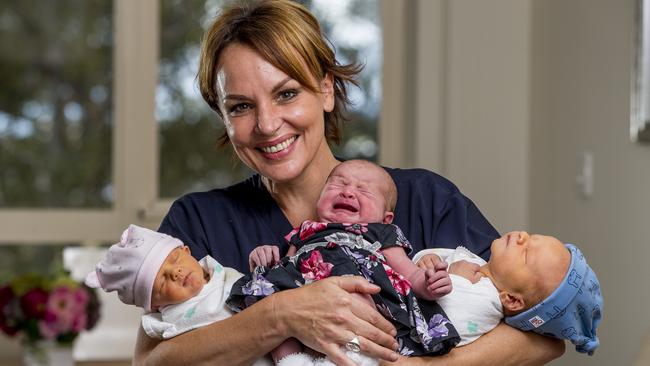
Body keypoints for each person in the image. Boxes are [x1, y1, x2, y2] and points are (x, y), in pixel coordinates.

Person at [135, 1, 565, 365]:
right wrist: (279, 316)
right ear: (223, 117)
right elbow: (150, 360)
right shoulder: (199, 223)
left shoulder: (426, 200)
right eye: (242, 106)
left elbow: (542, 335)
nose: (267, 125)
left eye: (286, 94)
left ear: (325, 89)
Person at [229, 160, 459, 364]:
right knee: (270, 300)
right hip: (301, 302)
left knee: (355, 294)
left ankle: (354, 359)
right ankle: (291, 361)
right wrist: (264, 257)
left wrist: (429, 283)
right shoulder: (304, 232)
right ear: (319, 200)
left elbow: (409, 274)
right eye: (338, 184)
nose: (348, 192)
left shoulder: (380, 232)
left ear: (385, 218)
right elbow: (283, 270)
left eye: (364, 190)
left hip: (358, 298)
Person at [85, 225, 272, 365]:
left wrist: (262, 265)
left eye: (175, 259)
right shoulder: (168, 322)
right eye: (163, 281)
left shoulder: (222, 273)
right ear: (154, 304)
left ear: (187, 251)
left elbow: (262, 291)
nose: (176, 272)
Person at [413, 231, 602, 355]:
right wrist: (429, 260)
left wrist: (451, 278)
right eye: (531, 236)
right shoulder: (480, 266)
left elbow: (424, 325)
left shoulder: (482, 303)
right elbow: (423, 261)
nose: (522, 237)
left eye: (526, 253)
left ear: (511, 299)